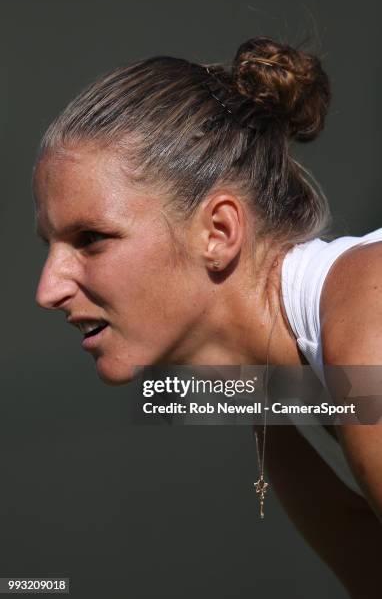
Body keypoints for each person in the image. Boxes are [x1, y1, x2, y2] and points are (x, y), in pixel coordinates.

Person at [33, 36, 382, 598]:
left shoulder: (370, 324)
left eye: (91, 238)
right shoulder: (273, 404)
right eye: (49, 243)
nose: (48, 289)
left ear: (218, 233)